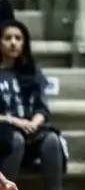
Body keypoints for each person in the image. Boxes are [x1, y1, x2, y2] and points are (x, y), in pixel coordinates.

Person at [0, 20, 65, 190]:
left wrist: (34, 124)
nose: (13, 42)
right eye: (8, 38)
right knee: (15, 139)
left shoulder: (33, 72)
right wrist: (15, 121)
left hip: (28, 129)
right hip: (4, 132)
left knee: (51, 140)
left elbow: (42, 108)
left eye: (18, 38)